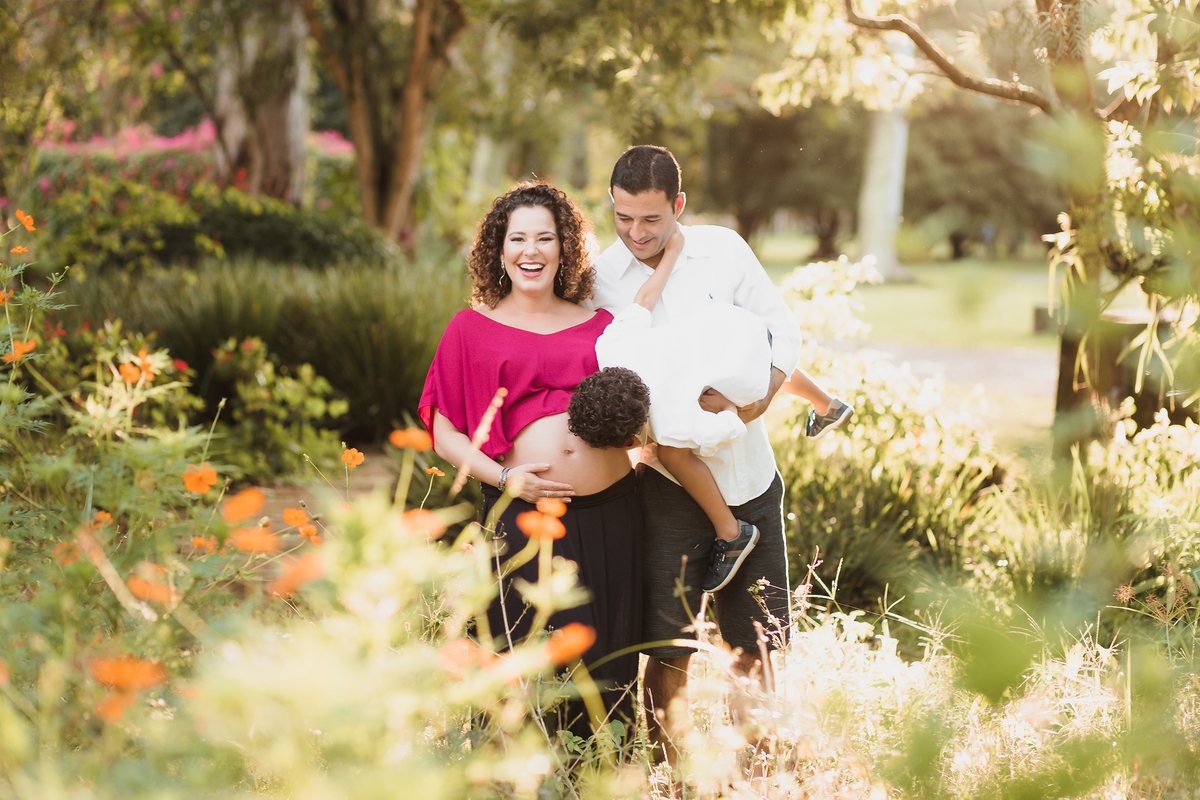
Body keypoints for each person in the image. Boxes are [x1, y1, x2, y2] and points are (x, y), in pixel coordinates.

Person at [582, 144, 840, 763]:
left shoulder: (724, 250)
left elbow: (781, 328)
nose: (636, 233)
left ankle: (756, 769)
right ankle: (673, 774)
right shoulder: (602, 282)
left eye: (650, 219)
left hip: (749, 476)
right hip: (665, 485)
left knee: (757, 644)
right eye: (623, 218)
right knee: (667, 647)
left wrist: (760, 400)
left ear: (678, 205)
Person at [418, 181, 643, 739]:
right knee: (525, 655)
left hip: (614, 513)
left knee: (609, 662)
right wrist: (505, 479)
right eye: (517, 238)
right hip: (521, 511)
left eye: (546, 237)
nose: (531, 250)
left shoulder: (601, 326)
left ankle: (603, 778)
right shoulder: (469, 327)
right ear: (498, 250)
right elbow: (443, 430)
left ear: (565, 248)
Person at [575, 226, 851, 595]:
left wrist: (728, 416)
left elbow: (723, 432)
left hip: (720, 358)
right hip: (728, 327)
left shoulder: (668, 421)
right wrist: (672, 253)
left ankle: (731, 532)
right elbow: (644, 299)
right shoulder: (610, 347)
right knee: (754, 366)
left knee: (675, 452)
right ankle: (826, 403)